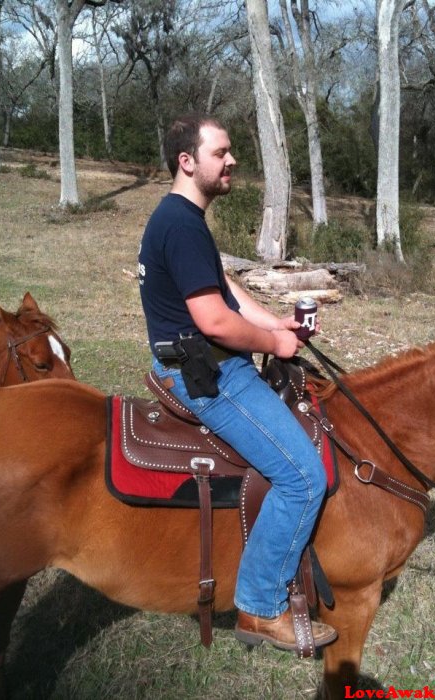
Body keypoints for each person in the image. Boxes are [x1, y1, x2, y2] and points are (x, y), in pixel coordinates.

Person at [138, 113, 336, 654]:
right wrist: (274, 346)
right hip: (207, 374)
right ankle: (260, 607)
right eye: (221, 153)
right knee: (302, 477)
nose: (231, 161)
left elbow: (223, 288)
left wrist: (276, 324)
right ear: (187, 161)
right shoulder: (180, 224)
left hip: (205, 362)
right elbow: (215, 321)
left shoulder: (182, 217)